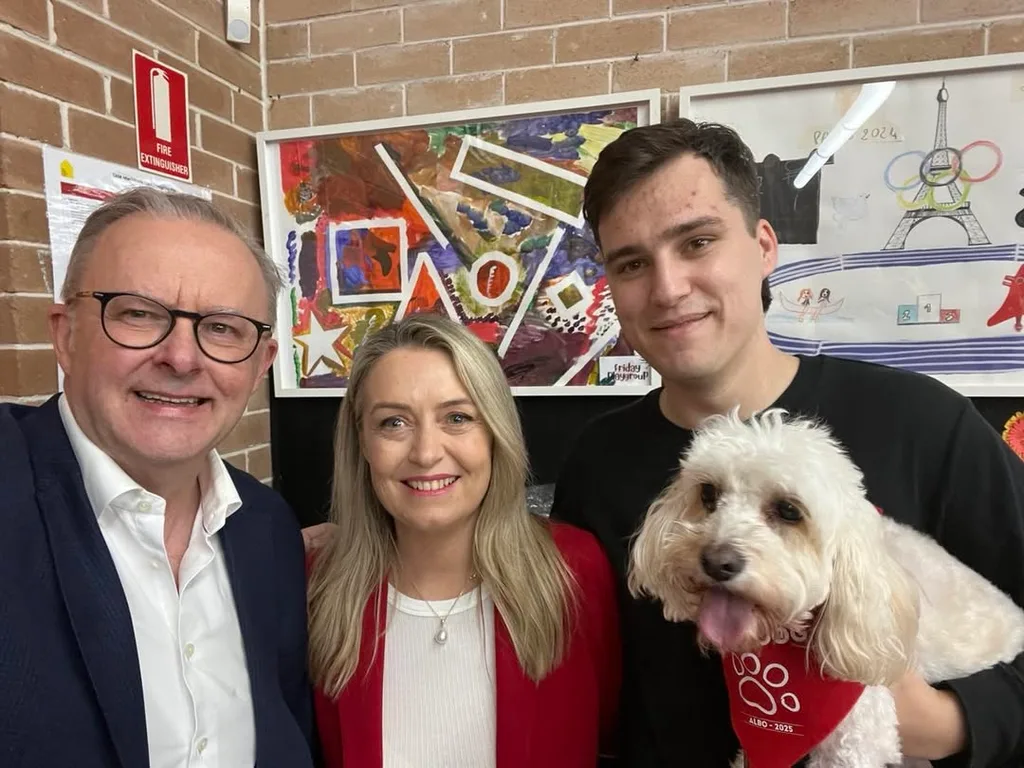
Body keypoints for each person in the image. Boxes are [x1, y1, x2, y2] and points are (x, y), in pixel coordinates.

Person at [549, 119, 1024, 768]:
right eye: (631, 263)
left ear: (764, 246)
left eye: (697, 242)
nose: (667, 288)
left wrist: (951, 723)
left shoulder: (924, 425)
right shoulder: (595, 465)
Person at [0, 188, 314, 767]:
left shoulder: (266, 527)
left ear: (260, 364)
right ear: (66, 334)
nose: (182, 357)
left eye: (222, 328)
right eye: (140, 313)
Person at [306, 313, 620, 768]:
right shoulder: (316, 586)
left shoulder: (574, 570)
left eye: (457, 417)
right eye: (394, 423)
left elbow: (609, 731)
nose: (427, 452)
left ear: (495, 432)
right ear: (362, 443)